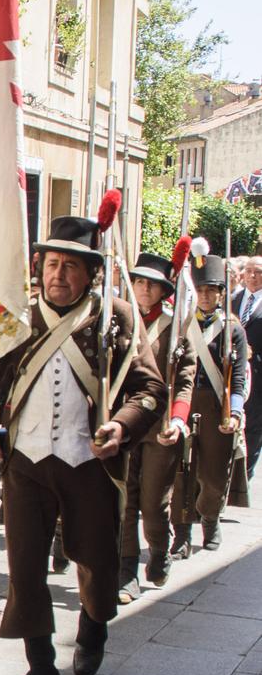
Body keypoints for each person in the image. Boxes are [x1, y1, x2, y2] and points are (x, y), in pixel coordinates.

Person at [0, 215, 165, 675]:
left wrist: (120, 426)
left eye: (70, 266)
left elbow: (149, 388)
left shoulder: (116, 316)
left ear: (91, 273)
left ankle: (93, 630)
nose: (58, 274)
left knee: (97, 562)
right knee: (26, 568)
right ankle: (40, 672)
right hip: (25, 464)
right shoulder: (14, 316)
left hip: (89, 463)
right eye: (51, 263)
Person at [119, 250, 195, 597]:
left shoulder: (175, 327)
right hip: (124, 423)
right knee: (125, 500)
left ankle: (160, 551)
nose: (143, 289)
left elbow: (185, 378)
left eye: (151, 285)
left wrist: (178, 419)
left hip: (161, 426)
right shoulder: (120, 321)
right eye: (138, 282)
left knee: (153, 504)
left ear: (164, 290)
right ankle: (126, 570)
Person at [173, 248, 248, 554]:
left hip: (218, 408)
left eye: (211, 291)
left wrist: (236, 413)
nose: (204, 296)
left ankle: (210, 516)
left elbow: (239, 378)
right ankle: (180, 533)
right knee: (181, 476)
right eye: (200, 290)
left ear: (220, 293)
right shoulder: (182, 324)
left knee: (214, 478)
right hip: (185, 403)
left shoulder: (234, 330)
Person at [233, 255, 262, 481]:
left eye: (258, 271)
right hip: (232, 373)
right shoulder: (233, 300)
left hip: (258, 377)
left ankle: (244, 476)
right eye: (249, 271)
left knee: (253, 427)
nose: (253, 276)